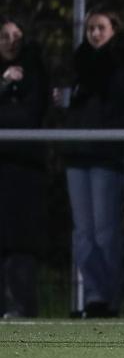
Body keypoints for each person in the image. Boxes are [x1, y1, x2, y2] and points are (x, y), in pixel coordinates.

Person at [60, 8, 124, 318]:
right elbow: (66, 106)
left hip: (108, 157)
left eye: (100, 28)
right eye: (91, 29)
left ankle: (109, 299)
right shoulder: (78, 64)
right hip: (78, 154)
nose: (95, 33)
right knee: (83, 234)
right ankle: (94, 297)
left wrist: (103, 129)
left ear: (114, 30)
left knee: (105, 232)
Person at [0, 18, 48, 318]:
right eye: (4, 36)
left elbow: (30, 116)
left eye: (17, 35)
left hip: (24, 169)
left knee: (21, 241)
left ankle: (22, 307)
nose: (11, 40)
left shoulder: (35, 72)